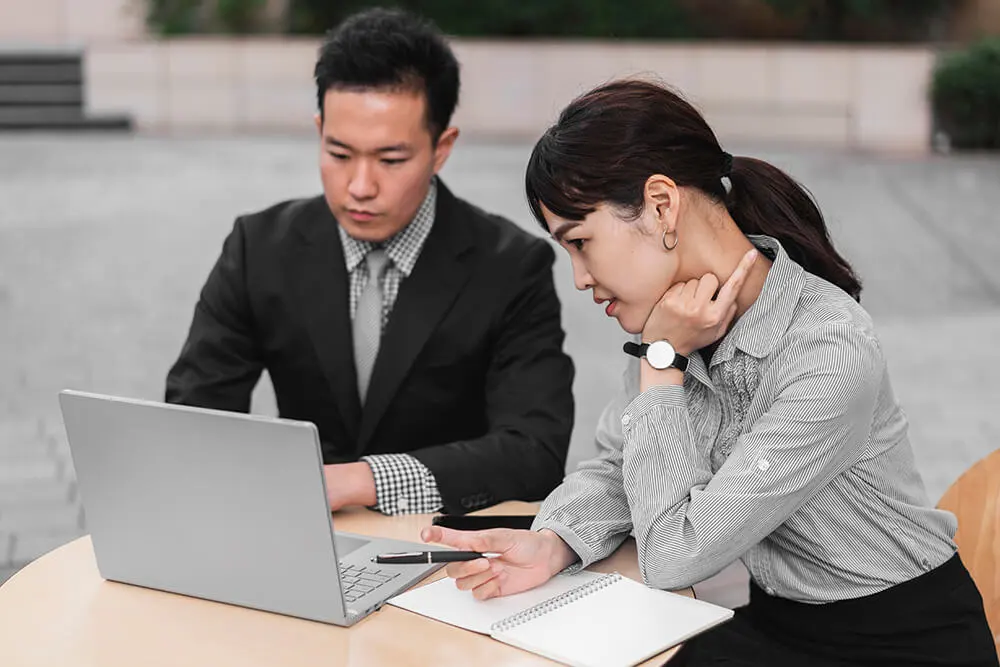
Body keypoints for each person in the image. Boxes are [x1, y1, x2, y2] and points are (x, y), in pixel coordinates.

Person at [421, 79, 998, 666]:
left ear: (662, 205)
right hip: (780, 625)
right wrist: (553, 542)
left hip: (907, 642)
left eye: (582, 241)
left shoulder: (828, 345)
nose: (579, 278)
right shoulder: (672, 322)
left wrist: (662, 362)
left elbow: (675, 556)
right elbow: (624, 466)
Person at [165, 8, 574, 517]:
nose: (360, 186)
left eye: (390, 160)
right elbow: (194, 417)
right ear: (319, 130)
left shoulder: (511, 266)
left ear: (441, 148)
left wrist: (362, 481)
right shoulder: (259, 248)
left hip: (449, 547)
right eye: (339, 154)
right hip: (304, 531)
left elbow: (535, 451)